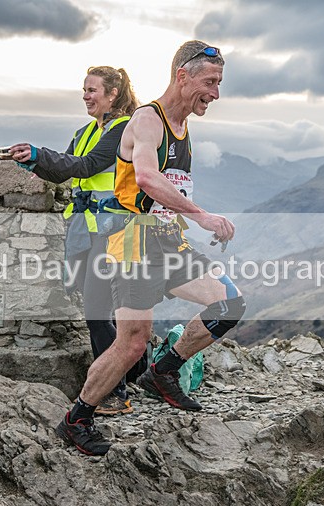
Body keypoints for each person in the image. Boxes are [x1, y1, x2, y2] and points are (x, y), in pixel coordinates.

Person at [55, 41, 246, 456]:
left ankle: (163, 372)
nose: (215, 93)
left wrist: (189, 219)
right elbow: (145, 176)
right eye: (210, 83)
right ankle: (77, 419)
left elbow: (170, 188)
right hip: (132, 243)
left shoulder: (182, 126)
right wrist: (203, 215)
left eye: (218, 84)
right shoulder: (146, 121)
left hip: (167, 240)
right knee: (132, 341)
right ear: (183, 76)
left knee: (228, 304)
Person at [9, 66, 144, 416]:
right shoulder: (85, 131)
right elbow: (64, 171)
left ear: (113, 94)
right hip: (87, 229)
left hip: (115, 229)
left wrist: (41, 153)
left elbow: (89, 165)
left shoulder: (122, 129)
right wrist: (33, 162)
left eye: (92, 90)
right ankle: (132, 372)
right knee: (97, 307)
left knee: (98, 309)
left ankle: (115, 391)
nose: (85, 96)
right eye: (83, 90)